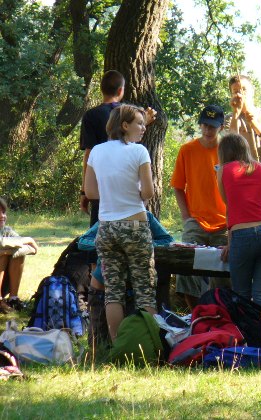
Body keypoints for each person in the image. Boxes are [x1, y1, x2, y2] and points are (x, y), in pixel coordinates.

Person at [84, 104, 156, 342]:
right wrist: (135, 192)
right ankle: (149, 345)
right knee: (145, 290)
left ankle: (117, 345)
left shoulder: (96, 151)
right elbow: (148, 192)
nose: (143, 128)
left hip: (106, 228)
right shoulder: (139, 151)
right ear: (125, 125)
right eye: (139, 123)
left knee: (113, 291)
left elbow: (90, 192)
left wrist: (112, 193)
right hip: (134, 226)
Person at [78, 211, 173, 348]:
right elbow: (83, 241)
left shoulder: (146, 216)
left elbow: (168, 240)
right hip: (103, 289)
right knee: (98, 344)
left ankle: (146, 350)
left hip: (134, 289)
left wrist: (143, 244)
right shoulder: (108, 215)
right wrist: (109, 244)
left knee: (136, 339)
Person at [170, 105, 230, 311]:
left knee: (224, 274)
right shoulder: (187, 150)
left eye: (212, 126)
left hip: (223, 223)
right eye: (204, 125)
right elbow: (178, 186)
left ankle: (221, 315)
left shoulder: (228, 150)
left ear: (221, 127)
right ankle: (197, 314)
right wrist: (186, 216)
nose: (207, 130)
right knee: (185, 269)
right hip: (196, 221)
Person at [79, 70, 156, 227]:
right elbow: (148, 191)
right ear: (121, 90)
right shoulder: (130, 114)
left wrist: (84, 191)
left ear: (101, 89)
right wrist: (144, 121)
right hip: (133, 207)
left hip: (104, 194)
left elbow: (89, 153)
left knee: (98, 234)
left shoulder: (91, 116)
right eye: (140, 124)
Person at [217, 133, 261, 313]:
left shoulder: (223, 170)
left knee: (241, 295)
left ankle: (244, 331)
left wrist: (230, 243)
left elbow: (230, 206)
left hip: (242, 235)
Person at [225, 74, 261, 202]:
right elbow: (229, 151)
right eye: (235, 91)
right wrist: (236, 114)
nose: (240, 94)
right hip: (241, 186)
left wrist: (255, 125)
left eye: (244, 89)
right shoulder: (229, 119)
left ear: (252, 91)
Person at [0, 197, 38, 313]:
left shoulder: (6, 231)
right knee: (4, 255)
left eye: (3, 212)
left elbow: (30, 249)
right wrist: (29, 239)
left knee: (17, 253)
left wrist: (7, 251)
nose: (2, 216)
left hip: (4, 282)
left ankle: (13, 299)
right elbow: (2, 243)